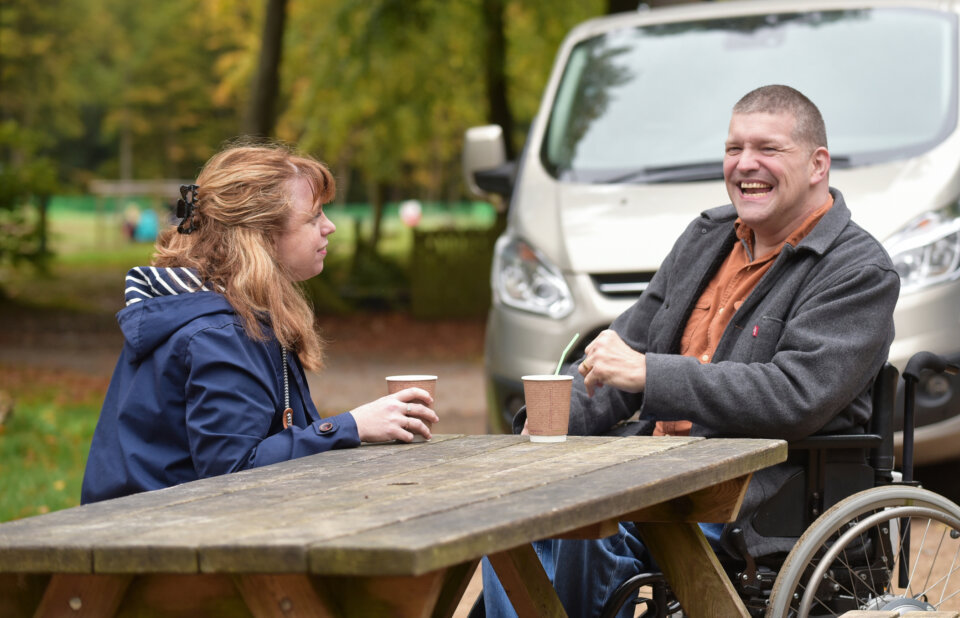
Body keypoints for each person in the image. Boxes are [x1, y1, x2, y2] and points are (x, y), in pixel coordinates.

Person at [480, 84, 900, 617]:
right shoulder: (708, 236)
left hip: (757, 490)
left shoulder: (857, 270)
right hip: (652, 472)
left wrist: (652, 376)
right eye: (733, 149)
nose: (745, 164)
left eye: (767, 149)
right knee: (504, 520)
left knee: (585, 529)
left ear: (818, 164)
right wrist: (538, 433)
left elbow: (796, 396)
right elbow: (620, 351)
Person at [81, 142, 439, 504]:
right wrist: (351, 426)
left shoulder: (233, 314)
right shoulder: (217, 335)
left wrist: (350, 428)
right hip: (158, 544)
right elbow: (233, 476)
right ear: (260, 237)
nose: (329, 227)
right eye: (313, 217)